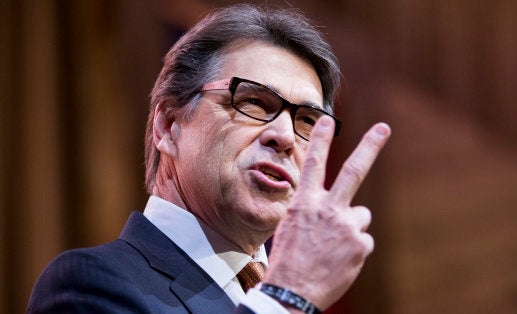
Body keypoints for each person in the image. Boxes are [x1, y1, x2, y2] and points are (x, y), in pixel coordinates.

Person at [27, 4, 390, 313]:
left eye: (307, 121)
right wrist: (286, 295)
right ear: (169, 126)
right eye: (253, 102)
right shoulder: (87, 284)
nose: (284, 137)